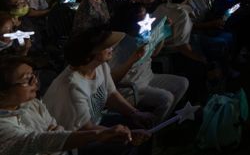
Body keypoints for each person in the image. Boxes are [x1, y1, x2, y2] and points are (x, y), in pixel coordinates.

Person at [0, 56, 143, 155]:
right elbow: (38, 140)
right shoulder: (3, 127)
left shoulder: (30, 103)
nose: (35, 81)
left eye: (33, 75)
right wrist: (99, 135)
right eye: (27, 79)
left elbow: (54, 128)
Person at [42, 28, 155, 146]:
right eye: (106, 47)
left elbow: (111, 94)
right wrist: (128, 134)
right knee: (128, 141)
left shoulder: (100, 66)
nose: (112, 48)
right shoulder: (72, 86)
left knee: (143, 125)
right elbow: (86, 128)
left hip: (94, 123)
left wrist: (134, 113)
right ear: (89, 56)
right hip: (75, 138)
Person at [110, 3, 189, 122]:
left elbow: (154, 53)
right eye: (141, 19)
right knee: (166, 98)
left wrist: (163, 32)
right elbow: (112, 80)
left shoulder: (143, 34)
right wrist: (133, 59)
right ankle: (150, 130)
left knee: (182, 83)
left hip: (148, 77)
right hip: (131, 87)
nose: (146, 21)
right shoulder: (120, 45)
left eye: (146, 16)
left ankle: (160, 122)